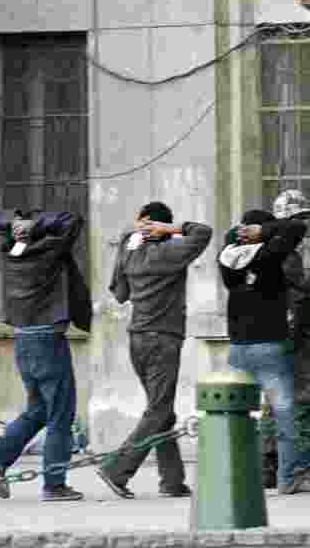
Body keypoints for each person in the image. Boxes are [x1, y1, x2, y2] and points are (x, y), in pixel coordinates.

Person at [97, 202, 213, 499]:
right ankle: (116, 468)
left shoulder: (129, 249)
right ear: (162, 228)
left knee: (161, 411)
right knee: (158, 410)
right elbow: (203, 232)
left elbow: (120, 294)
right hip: (164, 339)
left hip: (137, 339)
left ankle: (171, 480)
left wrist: (128, 238)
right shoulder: (171, 252)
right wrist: (173, 230)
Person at [0, 210, 92, 502]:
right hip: (48, 339)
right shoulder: (50, 249)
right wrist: (38, 224)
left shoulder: (7, 252)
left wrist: (15, 225)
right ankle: (54, 483)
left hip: (23, 339)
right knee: (60, 413)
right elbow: (72, 221)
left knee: (38, 409)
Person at [220, 208, 310, 495]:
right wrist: (265, 232)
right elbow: (295, 229)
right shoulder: (268, 255)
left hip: (238, 347)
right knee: (284, 412)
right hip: (269, 345)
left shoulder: (227, 257)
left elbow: (231, 237)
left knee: (237, 415)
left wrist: (244, 232)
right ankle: (288, 478)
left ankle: (234, 476)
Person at [259, 190, 310, 489]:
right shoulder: (286, 255)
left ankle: (267, 466)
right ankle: (306, 467)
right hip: (291, 338)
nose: (304, 226)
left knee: (275, 401)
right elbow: (293, 299)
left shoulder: (266, 252)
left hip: (269, 336)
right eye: (300, 219)